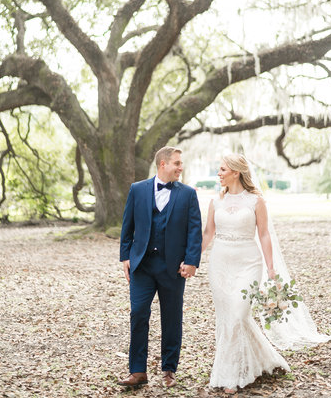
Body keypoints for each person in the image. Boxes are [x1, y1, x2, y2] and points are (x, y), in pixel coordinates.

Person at [201, 153, 291, 393]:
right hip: (219, 263)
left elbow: (263, 234)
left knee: (239, 314)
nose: (218, 174)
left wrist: (271, 267)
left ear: (235, 172)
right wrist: (192, 258)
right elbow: (208, 233)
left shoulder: (255, 201)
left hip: (248, 263)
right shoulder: (215, 202)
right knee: (227, 317)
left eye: (221, 169)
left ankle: (233, 375)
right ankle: (255, 361)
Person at [118, 146, 202, 389]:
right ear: (163, 164)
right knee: (138, 314)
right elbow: (127, 225)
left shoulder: (187, 194)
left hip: (173, 267)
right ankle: (137, 372)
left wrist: (192, 261)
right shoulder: (137, 189)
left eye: (181, 163)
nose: (180, 167)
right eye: (176, 163)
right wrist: (125, 256)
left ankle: (169, 369)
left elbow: (194, 231)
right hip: (142, 265)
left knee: (172, 317)